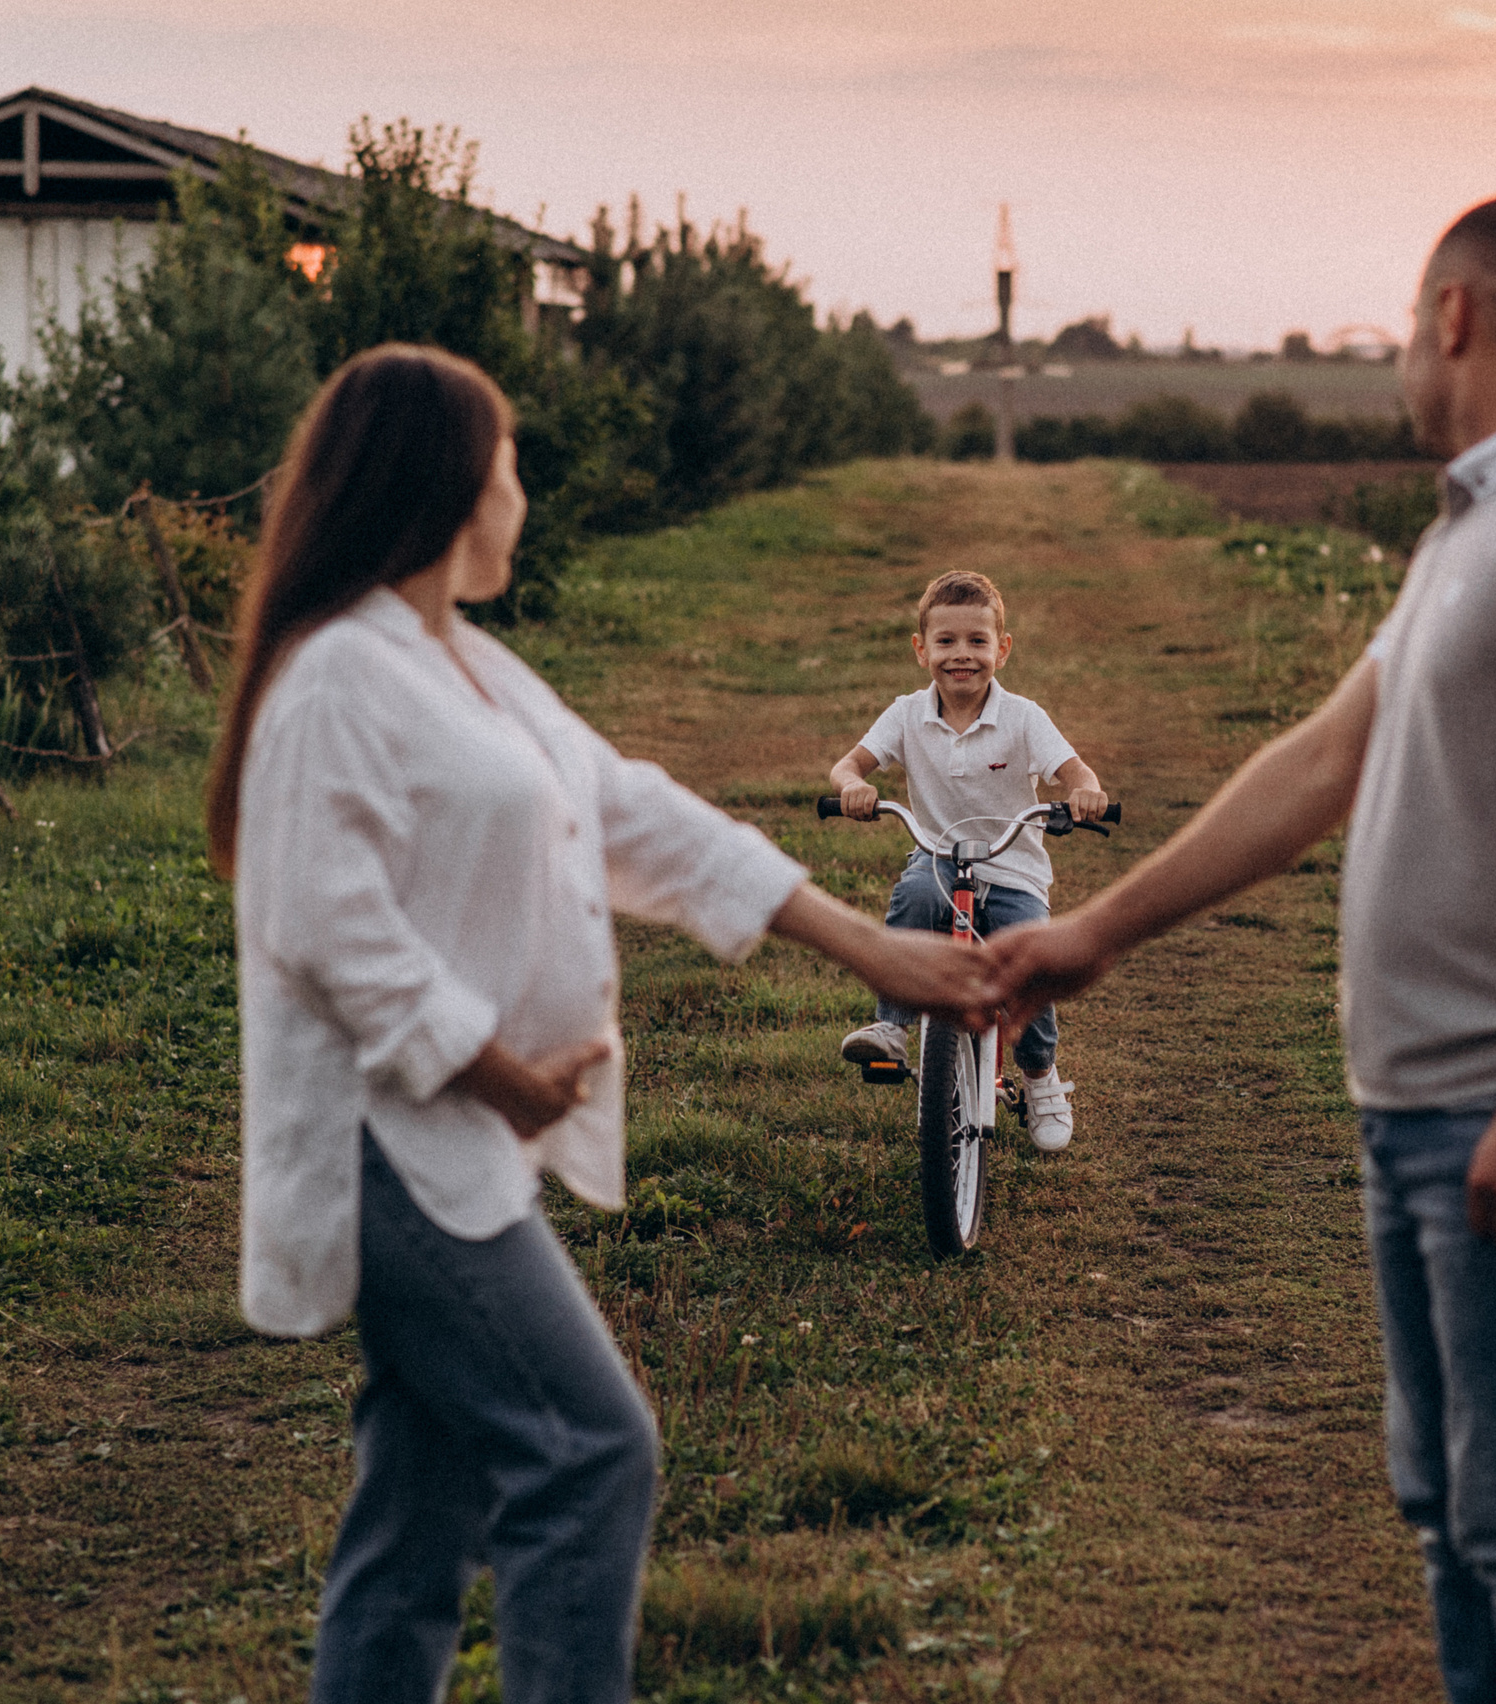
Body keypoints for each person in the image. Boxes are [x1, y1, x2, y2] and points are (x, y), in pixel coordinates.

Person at [204, 344, 988, 1704]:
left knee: (420, 1517)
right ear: (452, 487)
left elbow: (633, 813)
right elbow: (323, 924)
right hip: (393, 1151)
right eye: (510, 470)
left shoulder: (465, 665)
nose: (522, 498)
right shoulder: (338, 677)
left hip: (449, 1143)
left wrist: (875, 950)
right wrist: (498, 1072)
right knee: (590, 1449)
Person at [982, 196, 1496, 1703]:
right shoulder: (1480, 525)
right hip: (1422, 1104)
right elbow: (1320, 763)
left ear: (1454, 318)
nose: (1400, 368)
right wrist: (1095, 929)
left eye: (1403, 329)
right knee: (1447, 1512)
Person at [829, 570, 1108, 1150]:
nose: (962, 655)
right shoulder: (906, 714)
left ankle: (1039, 1077)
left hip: (1011, 868)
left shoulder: (1024, 717)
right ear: (921, 650)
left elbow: (1074, 771)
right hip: (936, 859)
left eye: (978, 641)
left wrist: (1084, 790)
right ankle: (892, 1024)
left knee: (1030, 960)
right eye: (947, 641)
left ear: (1001, 650)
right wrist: (852, 785)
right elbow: (847, 766)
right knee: (913, 900)